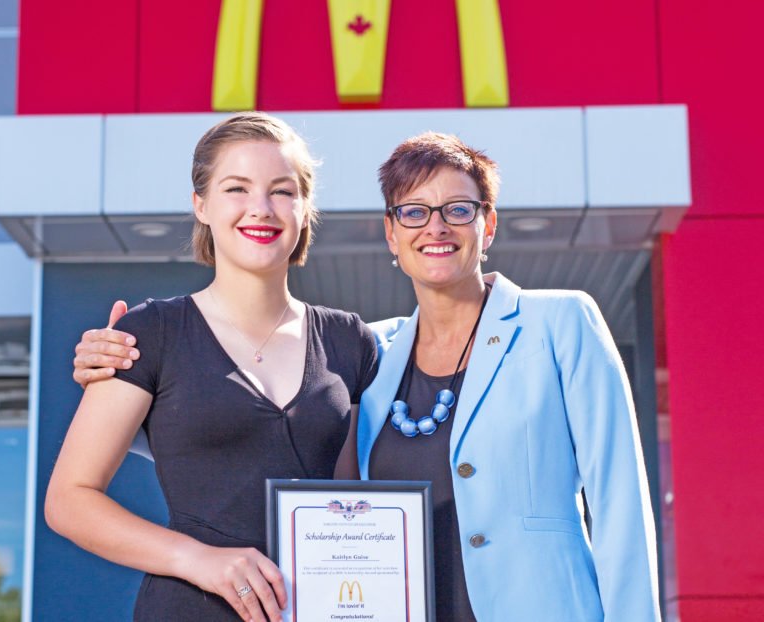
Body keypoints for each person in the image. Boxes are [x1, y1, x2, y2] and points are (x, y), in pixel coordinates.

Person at [73, 132, 661, 621]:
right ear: (391, 233)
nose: (436, 227)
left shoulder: (558, 322)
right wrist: (124, 381)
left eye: (459, 209)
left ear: (488, 224)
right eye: (414, 212)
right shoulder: (373, 349)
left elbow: (619, 505)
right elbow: (263, 442)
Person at [46, 112, 379, 622]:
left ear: (305, 207)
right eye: (236, 189)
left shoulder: (350, 340)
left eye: (283, 191)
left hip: (320, 609)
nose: (261, 209)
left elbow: (350, 502)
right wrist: (198, 560)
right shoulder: (149, 333)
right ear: (200, 204)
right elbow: (69, 500)